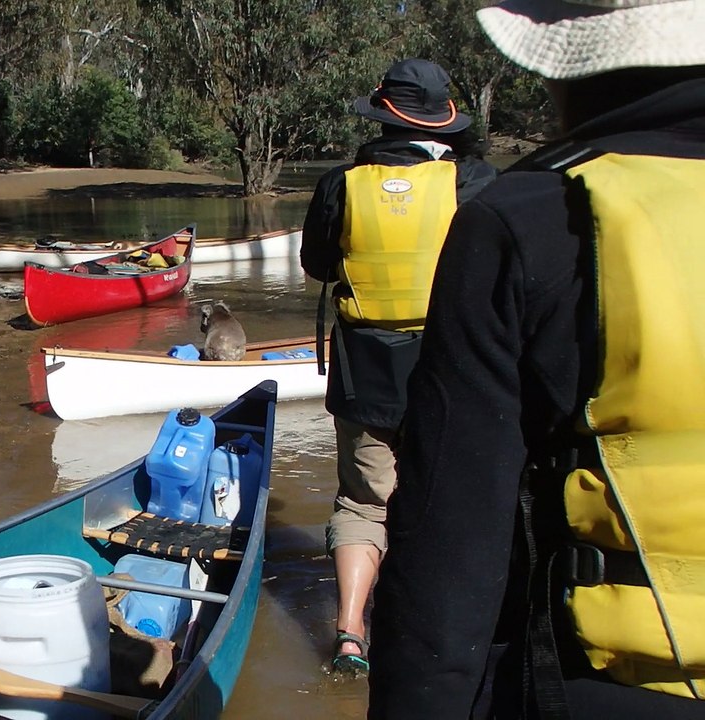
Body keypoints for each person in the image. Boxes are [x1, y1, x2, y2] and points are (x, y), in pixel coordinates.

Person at [370, 0, 705, 717]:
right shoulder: (485, 192)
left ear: (571, 68)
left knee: (358, 498)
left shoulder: (531, 215)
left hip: (610, 682)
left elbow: (450, 541)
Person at [299, 58, 497, 674]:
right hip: (452, 371)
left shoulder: (340, 184)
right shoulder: (477, 182)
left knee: (363, 501)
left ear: (384, 116)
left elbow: (319, 267)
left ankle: (351, 631)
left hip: (365, 372)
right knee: (447, 499)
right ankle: (432, 633)